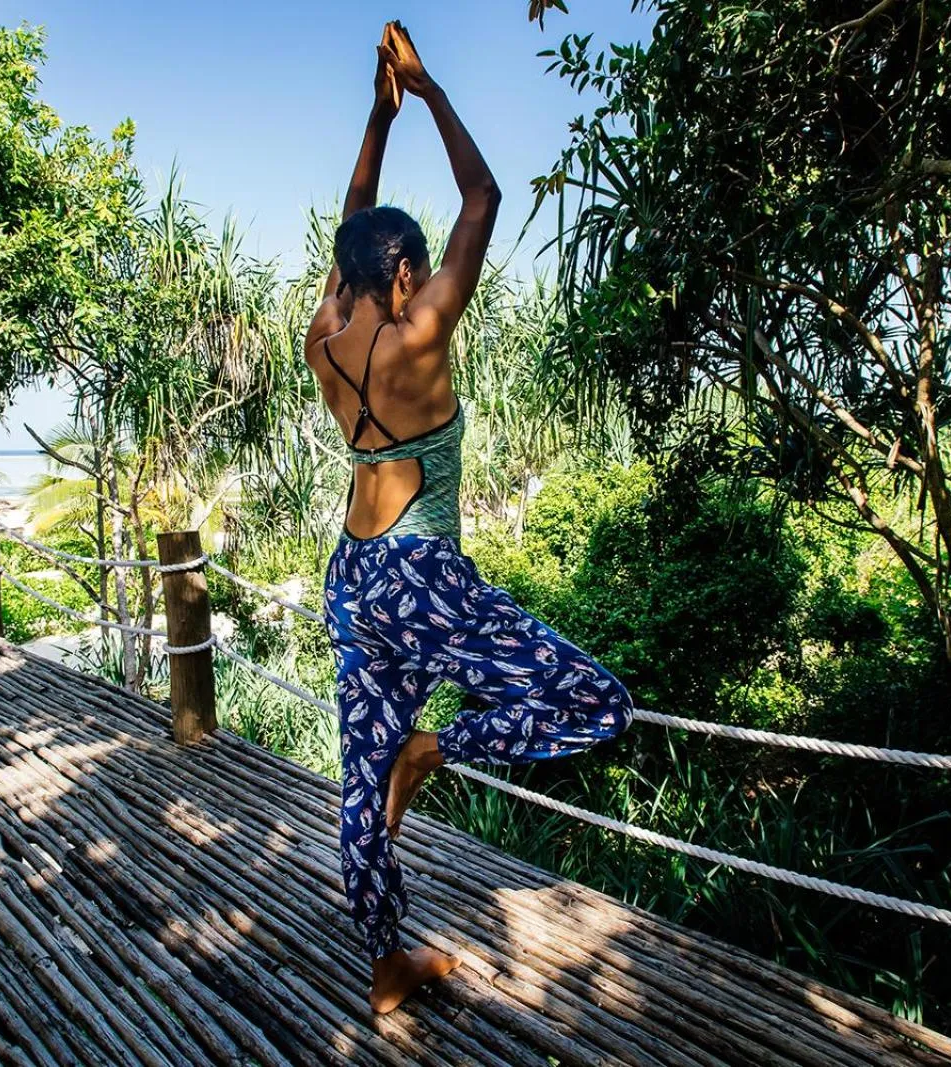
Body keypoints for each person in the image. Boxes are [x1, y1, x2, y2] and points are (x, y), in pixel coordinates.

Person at [306, 22, 634, 1015]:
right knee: (596, 701)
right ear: (408, 275)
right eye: (415, 268)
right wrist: (429, 91)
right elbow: (482, 197)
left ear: (350, 275)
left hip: (353, 580)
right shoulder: (418, 334)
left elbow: (353, 226)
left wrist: (377, 116)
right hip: (421, 576)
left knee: (359, 785)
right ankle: (435, 749)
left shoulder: (323, 339)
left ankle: (385, 962)